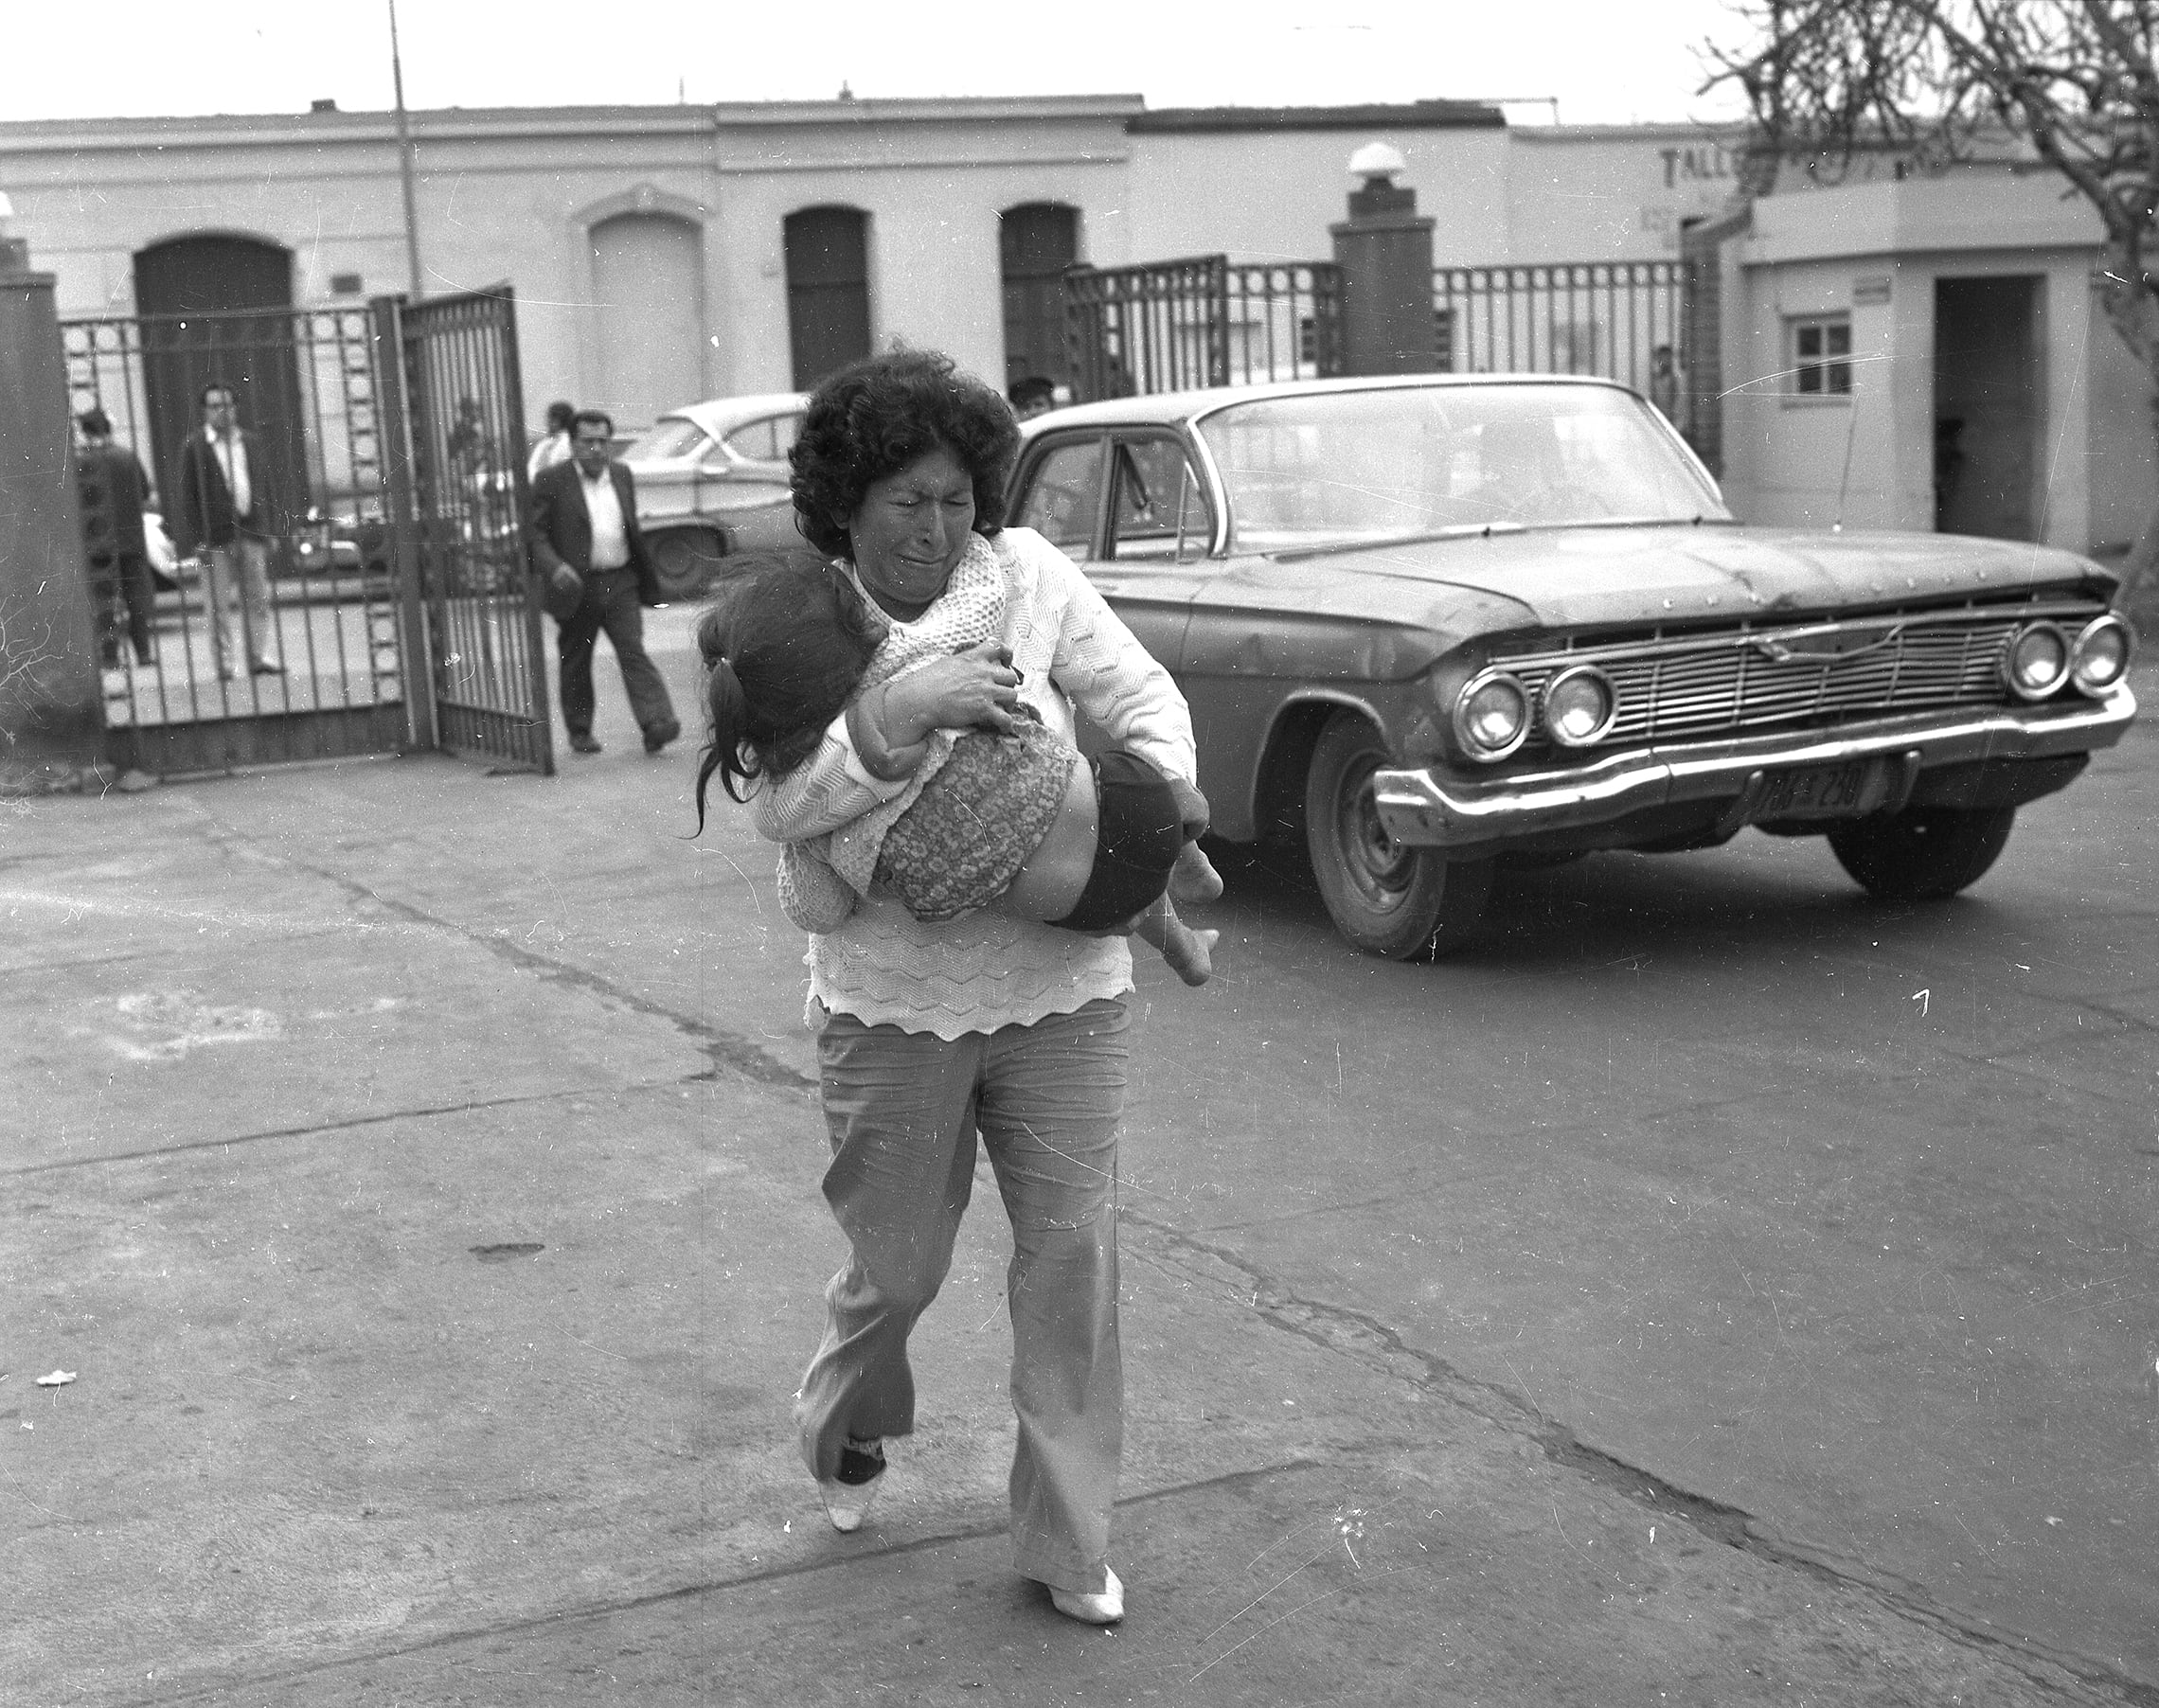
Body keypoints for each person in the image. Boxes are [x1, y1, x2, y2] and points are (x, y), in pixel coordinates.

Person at [727, 348, 1208, 1626]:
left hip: (1066, 989)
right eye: (904, 503)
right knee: (896, 1269)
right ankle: (851, 1424)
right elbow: (780, 804)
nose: (933, 529)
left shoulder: (1032, 581)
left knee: (1071, 1261)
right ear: (847, 504)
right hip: (889, 1002)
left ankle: (1067, 1537)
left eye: (954, 499)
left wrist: (1153, 798)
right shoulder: (808, 620)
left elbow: (1140, 694)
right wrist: (895, 721)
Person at [695, 547, 1219, 984]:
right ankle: (1185, 849)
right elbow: (979, 598)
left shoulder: (806, 794)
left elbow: (817, 910)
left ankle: (1184, 946)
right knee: (1142, 805)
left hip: (1078, 908)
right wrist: (975, 547)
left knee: (1121, 888)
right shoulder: (907, 658)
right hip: (1126, 804)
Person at [528, 408, 681, 756]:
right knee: (577, 659)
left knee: (633, 650)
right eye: (588, 442)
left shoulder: (622, 474)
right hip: (576, 586)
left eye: (603, 441)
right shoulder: (552, 480)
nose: (597, 449)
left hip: (620, 580)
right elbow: (535, 535)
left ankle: (657, 722)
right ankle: (580, 731)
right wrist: (555, 568)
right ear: (572, 443)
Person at [171, 382, 283, 681]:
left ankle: (257, 657)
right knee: (218, 606)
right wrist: (197, 540)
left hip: (251, 532)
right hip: (215, 539)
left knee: (258, 598)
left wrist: (269, 530)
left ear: (235, 408)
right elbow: (187, 497)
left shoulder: (250, 441)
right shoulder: (195, 447)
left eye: (227, 405)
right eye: (214, 406)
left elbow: (264, 486)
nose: (222, 412)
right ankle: (224, 664)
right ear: (205, 411)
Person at [75, 407, 157, 667]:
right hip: (132, 540)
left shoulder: (81, 463)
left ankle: (110, 657)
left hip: (99, 544)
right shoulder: (127, 457)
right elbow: (144, 493)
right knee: (137, 599)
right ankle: (143, 653)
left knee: (105, 601)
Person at [526, 400, 576, 484]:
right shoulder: (546, 443)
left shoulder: (566, 443)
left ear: (558, 421)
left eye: (551, 419)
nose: (547, 423)